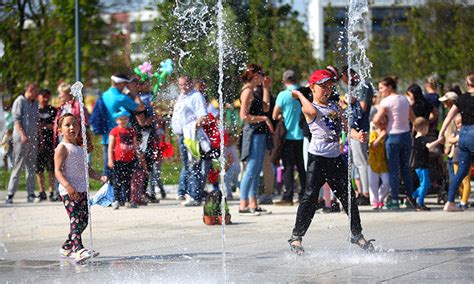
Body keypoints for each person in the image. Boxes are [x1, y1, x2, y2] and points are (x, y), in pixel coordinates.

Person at [288, 69, 374, 254]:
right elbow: (309, 109)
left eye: (330, 86)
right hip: (317, 159)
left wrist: (357, 135)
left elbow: (345, 127)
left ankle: (357, 235)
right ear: (312, 87)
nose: (328, 90)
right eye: (323, 86)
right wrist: (300, 95)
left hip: (335, 158)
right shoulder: (311, 107)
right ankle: (296, 237)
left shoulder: (335, 107)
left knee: (349, 197)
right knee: (310, 197)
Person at [55, 113, 107, 262]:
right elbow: (57, 171)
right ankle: (79, 249)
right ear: (60, 130)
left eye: (75, 124)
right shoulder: (62, 148)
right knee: (76, 219)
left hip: (82, 190)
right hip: (69, 191)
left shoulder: (79, 148)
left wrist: (100, 177)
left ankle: (66, 247)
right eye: (67, 125)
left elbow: (87, 169)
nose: (72, 127)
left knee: (83, 220)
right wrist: (68, 187)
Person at [373, 77, 416, 210]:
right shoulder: (405, 99)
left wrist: (380, 123)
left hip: (393, 136)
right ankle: (410, 198)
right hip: (406, 136)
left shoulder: (386, 101)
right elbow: (413, 118)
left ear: (390, 87)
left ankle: (395, 199)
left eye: (381, 88)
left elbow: (376, 120)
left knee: (393, 170)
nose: (380, 91)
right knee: (406, 168)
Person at [434, 72, 474, 212]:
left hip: (464, 136)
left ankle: (450, 202)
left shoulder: (462, 99)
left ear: (468, 84)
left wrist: (441, 133)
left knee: (461, 172)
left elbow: (449, 117)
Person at [239, 64, 274, 216]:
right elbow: (243, 116)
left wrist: (266, 88)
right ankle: (243, 204)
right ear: (254, 76)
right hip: (252, 134)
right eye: (261, 75)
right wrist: (263, 119)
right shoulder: (247, 92)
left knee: (256, 169)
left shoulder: (255, 91)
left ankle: (253, 203)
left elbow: (266, 108)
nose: (263, 77)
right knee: (251, 169)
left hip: (259, 134)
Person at [171, 75, 208, 206]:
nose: (183, 87)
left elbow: (203, 116)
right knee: (187, 166)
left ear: (191, 83)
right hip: (182, 135)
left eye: (185, 84)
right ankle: (188, 192)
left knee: (193, 165)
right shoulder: (181, 96)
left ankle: (194, 195)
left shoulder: (196, 96)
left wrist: (192, 127)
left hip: (190, 135)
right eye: (180, 85)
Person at [340, 67, 374, 205]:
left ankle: (366, 193)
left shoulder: (364, 86)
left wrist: (350, 101)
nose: (344, 82)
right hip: (352, 128)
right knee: (354, 162)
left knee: (361, 161)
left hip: (361, 129)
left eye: (345, 79)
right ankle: (358, 191)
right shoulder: (355, 88)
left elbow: (363, 106)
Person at [272, 70, 306, 206]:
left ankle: (288, 196)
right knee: (302, 167)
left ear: (284, 81)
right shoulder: (302, 93)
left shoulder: (283, 95)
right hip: (302, 135)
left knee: (288, 167)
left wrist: (281, 116)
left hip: (288, 136)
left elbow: (275, 115)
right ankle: (304, 195)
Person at [5, 83, 39, 204]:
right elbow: (16, 120)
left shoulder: (35, 103)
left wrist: (38, 137)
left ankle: (30, 193)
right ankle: (10, 194)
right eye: (36, 91)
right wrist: (23, 135)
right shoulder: (20, 101)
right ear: (30, 90)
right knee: (18, 165)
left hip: (32, 139)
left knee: (31, 167)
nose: (37, 94)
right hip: (21, 139)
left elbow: (36, 121)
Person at [101, 74, 140, 177]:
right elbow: (139, 107)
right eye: (126, 84)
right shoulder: (121, 98)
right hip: (121, 137)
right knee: (122, 173)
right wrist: (134, 92)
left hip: (106, 135)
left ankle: (107, 191)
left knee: (107, 168)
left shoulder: (104, 95)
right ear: (122, 83)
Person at [108, 108, 141, 209]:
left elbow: (135, 145)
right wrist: (110, 159)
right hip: (118, 160)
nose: (123, 121)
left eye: (125, 118)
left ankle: (127, 200)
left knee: (128, 181)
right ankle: (116, 200)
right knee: (117, 181)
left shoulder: (132, 131)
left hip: (130, 160)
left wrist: (138, 157)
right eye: (121, 119)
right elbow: (110, 146)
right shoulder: (114, 131)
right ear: (116, 120)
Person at [36, 89, 57, 202]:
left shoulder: (52, 110)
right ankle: (41, 192)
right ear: (38, 96)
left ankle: (51, 191)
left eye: (47, 97)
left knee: (51, 169)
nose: (45, 99)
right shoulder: (35, 110)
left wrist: (46, 126)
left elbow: (55, 125)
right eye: (43, 96)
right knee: (39, 170)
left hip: (50, 144)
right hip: (38, 144)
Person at [448, 114, 471, 210]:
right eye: (458, 123)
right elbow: (450, 139)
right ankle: (462, 198)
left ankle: (464, 201)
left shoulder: (468, 133)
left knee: (466, 180)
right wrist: (457, 139)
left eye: (461, 122)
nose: (460, 125)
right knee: (458, 180)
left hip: (466, 158)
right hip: (456, 158)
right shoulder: (456, 132)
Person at [368, 114, 390, 210]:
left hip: (383, 162)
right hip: (373, 161)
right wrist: (381, 136)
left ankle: (380, 199)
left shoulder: (389, 133)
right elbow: (372, 146)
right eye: (380, 122)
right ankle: (374, 202)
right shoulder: (374, 133)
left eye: (385, 122)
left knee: (386, 182)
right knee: (373, 183)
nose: (383, 124)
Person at [411, 117, 431, 211]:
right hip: (422, 165)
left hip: (417, 165)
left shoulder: (414, 139)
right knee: (424, 184)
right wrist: (439, 141)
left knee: (426, 183)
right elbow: (429, 146)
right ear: (423, 128)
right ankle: (420, 203)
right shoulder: (423, 139)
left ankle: (413, 195)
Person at [438, 91, 459, 184]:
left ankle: (454, 192)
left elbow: (452, 133)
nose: (444, 103)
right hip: (452, 147)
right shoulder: (457, 115)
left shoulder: (453, 116)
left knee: (452, 172)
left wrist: (448, 147)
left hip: (452, 149)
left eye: (446, 101)